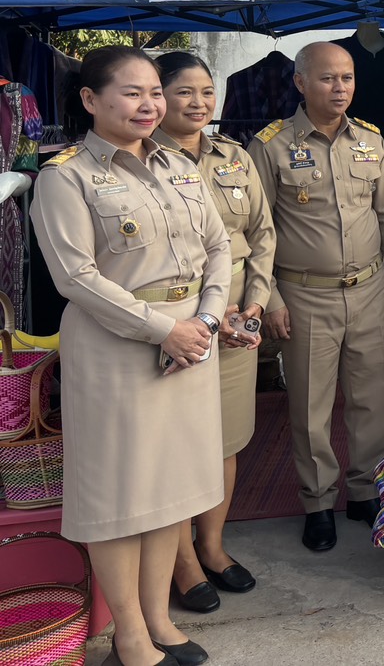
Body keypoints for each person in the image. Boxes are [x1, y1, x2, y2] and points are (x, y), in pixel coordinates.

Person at [32, 47, 231, 666]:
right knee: (122, 497)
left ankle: (157, 621)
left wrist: (204, 319)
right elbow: (76, 278)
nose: (150, 105)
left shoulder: (180, 164)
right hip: (119, 347)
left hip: (190, 341)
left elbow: (220, 246)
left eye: (154, 92)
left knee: (169, 490)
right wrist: (162, 331)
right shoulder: (65, 177)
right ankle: (128, 637)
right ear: (91, 100)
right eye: (131, 92)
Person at [249, 41, 384, 554]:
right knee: (310, 404)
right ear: (300, 83)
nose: (339, 87)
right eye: (327, 78)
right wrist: (269, 296)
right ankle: (318, 501)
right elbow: (258, 231)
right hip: (304, 294)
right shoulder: (270, 146)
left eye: (346, 78)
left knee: (370, 399)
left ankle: (363, 491)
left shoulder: (369, 140)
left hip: (367, 290)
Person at [153, 52, 276, 612]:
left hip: (235, 319)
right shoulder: (140, 159)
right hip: (176, 321)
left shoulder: (235, 156)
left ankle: (212, 546)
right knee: (178, 446)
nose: (199, 103)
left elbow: (262, 233)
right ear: (157, 96)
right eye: (184, 92)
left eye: (206, 91)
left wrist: (252, 306)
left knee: (225, 439)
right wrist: (203, 317)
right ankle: (180, 564)